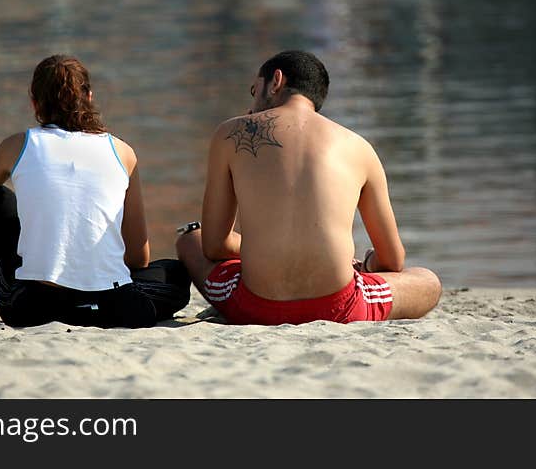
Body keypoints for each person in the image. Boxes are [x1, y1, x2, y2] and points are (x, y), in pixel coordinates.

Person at [176, 50, 441, 325]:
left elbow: (214, 247)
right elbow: (393, 261)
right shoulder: (359, 146)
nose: (253, 105)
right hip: (340, 307)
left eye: (254, 90)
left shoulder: (230, 133)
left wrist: (262, 245)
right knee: (427, 281)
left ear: (275, 80)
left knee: (190, 239)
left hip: (254, 306)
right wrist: (368, 264)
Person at [0, 55, 191, 328]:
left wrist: (34, 236)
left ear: (35, 102)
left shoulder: (18, 145)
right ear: (90, 97)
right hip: (115, 306)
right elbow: (138, 257)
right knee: (174, 273)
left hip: (34, 309)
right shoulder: (123, 152)